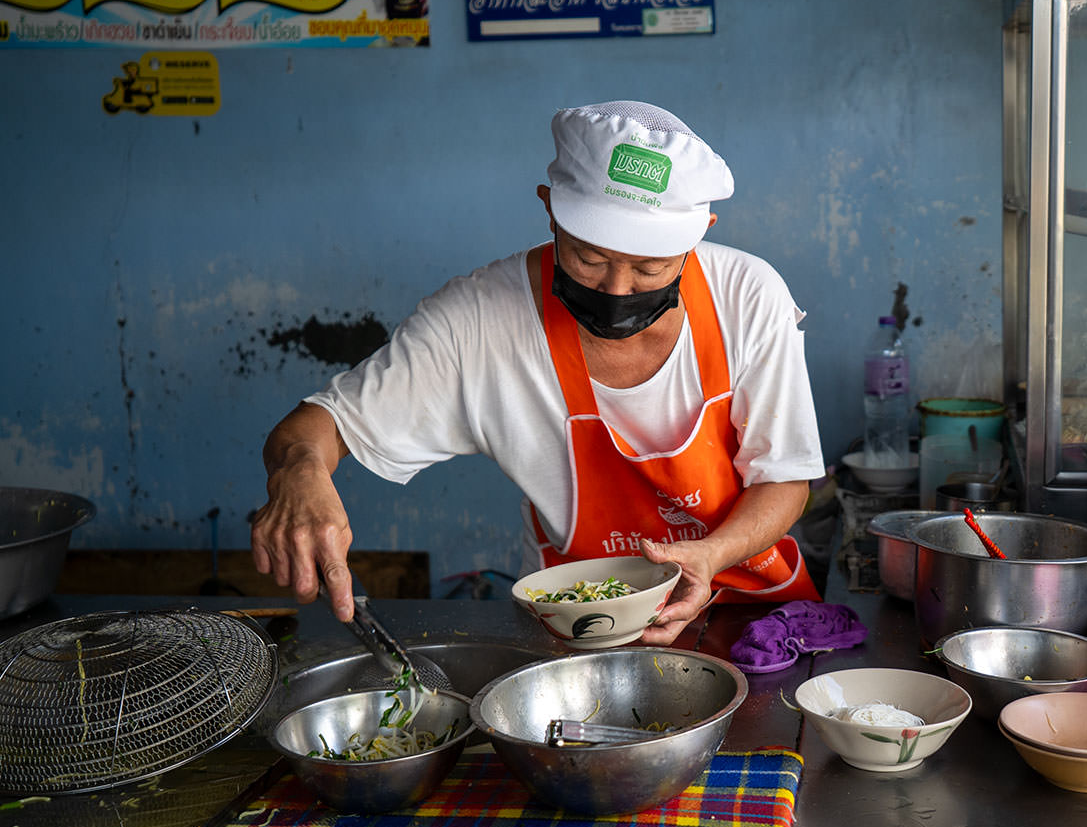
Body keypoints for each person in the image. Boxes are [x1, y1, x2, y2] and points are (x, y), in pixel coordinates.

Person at [250, 100, 825, 644]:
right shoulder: (478, 322)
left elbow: (785, 479)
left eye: (650, 268)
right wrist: (301, 472)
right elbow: (309, 431)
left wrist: (710, 554)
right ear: (549, 206)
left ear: (700, 233)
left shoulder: (747, 298)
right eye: (590, 258)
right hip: (579, 620)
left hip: (749, 614)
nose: (617, 289)